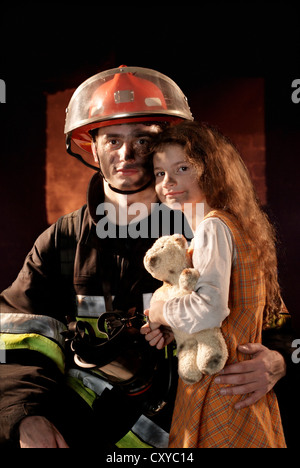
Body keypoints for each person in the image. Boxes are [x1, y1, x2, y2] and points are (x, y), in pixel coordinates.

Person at [0, 66, 289, 449]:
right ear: (92, 146)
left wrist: (279, 361)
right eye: (113, 140)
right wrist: (26, 415)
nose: (127, 154)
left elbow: (272, 322)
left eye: (143, 140)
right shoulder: (61, 241)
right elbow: (18, 340)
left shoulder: (207, 230)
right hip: (86, 433)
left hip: (193, 430)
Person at [141, 121, 287, 447]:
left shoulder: (212, 228)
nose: (169, 182)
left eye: (182, 167)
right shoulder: (236, 225)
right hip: (243, 393)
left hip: (219, 390)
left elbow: (210, 310)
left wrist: (161, 309)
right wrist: (175, 330)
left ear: (211, 169)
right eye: (160, 172)